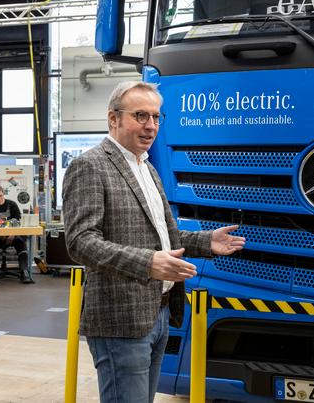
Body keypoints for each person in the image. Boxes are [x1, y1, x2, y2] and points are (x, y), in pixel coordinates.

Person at [62, 81, 246, 403]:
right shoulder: (90, 166)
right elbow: (81, 242)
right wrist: (148, 263)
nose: (150, 126)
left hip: (158, 314)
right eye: (140, 116)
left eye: (156, 117)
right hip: (121, 319)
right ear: (113, 119)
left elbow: (161, 235)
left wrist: (206, 242)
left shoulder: (146, 167)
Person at [0, 184, 32, 285]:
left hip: (12, 235)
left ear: (3, 194)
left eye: (1, 196)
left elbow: (18, 222)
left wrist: (12, 234)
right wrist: (0, 235)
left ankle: (24, 272)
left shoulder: (12, 205)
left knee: (21, 242)